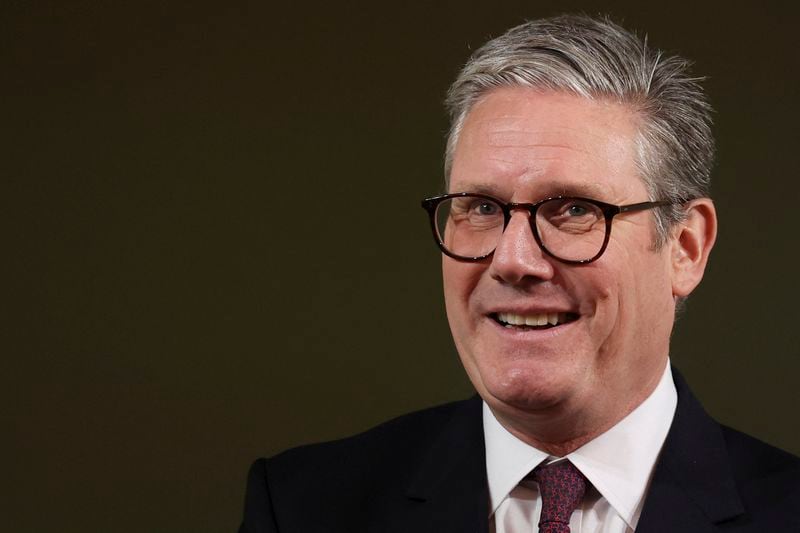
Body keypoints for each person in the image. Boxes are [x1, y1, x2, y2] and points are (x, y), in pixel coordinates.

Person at [239, 14, 800, 532]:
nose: (513, 260)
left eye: (575, 210)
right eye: (482, 208)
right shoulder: (302, 507)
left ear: (685, 246)